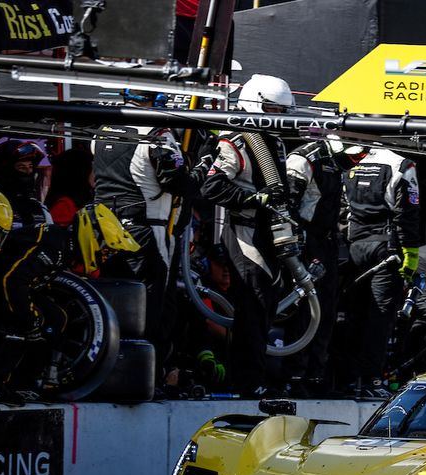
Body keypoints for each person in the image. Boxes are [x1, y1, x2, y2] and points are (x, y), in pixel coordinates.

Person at [93, 87, 213, 370]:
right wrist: (205, 159)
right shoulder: (158, 134)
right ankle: (147, 372)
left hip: (104, 228)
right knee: (151, 306)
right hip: (149, 229)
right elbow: (182, 184)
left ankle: (108, 368)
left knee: (113, 301)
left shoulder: (102, 129)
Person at [0, 204, 139, 403]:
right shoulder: (54, 245)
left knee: (57, 318)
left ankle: (23, 383)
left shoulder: (63, 247)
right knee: (27, 322)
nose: (104, 256)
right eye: (105, 250)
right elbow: (11, 280)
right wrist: (30, 318)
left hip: (8, 287)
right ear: (93, 236)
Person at [200, 74, 301, 397]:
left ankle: (256, 376)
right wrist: (252, 199)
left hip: (272, 231)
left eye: (282, 111)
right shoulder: (236, 141)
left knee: (268, 304)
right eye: (272, 109)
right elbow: (211, 185)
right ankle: (247, 381)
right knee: (253, 303)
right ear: (255, 103)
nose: (278, 117)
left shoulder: (278, 141)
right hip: (244, 230)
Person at [343, 145, 422, 398]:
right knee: (379, 317)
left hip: (353, 246)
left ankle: (347, 379)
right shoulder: (402, 164)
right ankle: (371, 381)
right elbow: (407, 212)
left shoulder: (350, 161)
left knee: (353, 315)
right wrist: (411, 254)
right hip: (385, 248)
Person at [282, 137, 349, 397]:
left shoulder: (340, 160)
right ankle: (293, 376)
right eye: (353, 156)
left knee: (327, 311)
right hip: (304, 243)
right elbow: (286, 206)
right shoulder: (304, 159)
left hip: (327, 243)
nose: (357, 160)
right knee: (303, 311)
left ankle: (316, 376)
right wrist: (295, 247)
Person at [0, 139, 51, 229]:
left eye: (30, 166)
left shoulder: (39, 208)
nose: (28, 171)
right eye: (21, 167)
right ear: (6, 171)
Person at [46, 147, 95, 226]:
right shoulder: (64, 206)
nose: (95, 174)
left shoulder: (86, 199)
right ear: (80, 172)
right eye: (92, 169)